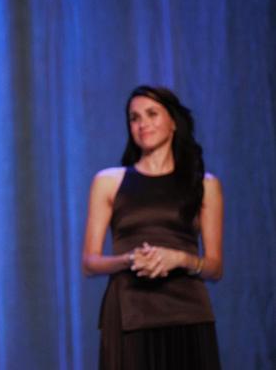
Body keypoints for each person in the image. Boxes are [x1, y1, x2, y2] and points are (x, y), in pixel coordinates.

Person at [82, 85, 223, 370]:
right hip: (128, 314)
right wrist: (129, 259)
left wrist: (180, 259)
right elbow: (89, 262)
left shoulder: (205, 185)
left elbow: (215, 267)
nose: (142, 123)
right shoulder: (109, 181)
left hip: (187, 314)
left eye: (151, 114)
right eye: (134, 118)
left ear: (173, 122)